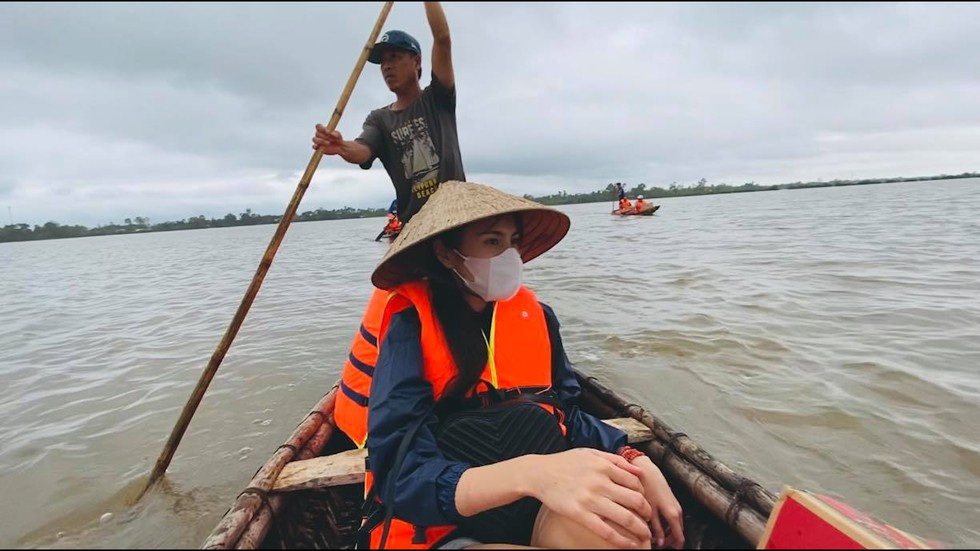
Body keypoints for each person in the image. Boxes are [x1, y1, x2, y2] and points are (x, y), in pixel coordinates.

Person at [359, 181, 684, 549]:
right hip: (444, 530)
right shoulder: (410, 325)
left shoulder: (538, 316)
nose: (509, 256)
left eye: (513, 242)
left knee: (624, 532)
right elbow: (400, 476)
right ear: (446, 254)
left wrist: (632, 456)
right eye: (492, 241)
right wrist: (529, 473)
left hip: (536, 508)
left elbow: (566, 413)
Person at [312, 2, 464, 226]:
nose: (386, 66)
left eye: (394, 57)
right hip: (415, 226)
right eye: (383, 61)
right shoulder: (380, 119)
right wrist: (341, 146)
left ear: (417, 61)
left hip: (457, 216)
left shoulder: (437, 98)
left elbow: (442, 39)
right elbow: (363, 150)